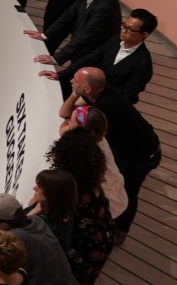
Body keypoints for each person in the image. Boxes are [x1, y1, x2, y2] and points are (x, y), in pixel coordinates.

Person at [60, 67, 160, 241]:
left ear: (88, 89)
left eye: (75, 81)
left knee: (128, 190)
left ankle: (121, 230)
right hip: (126, 148)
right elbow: (65, 113)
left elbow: (66, 128)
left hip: (142, 155)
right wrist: (76, 93)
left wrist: (72, 117)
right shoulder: (98, 93)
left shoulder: (104, 107)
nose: (71, 81)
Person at [44, 127, 115, 285]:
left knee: (69, 283)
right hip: (102, 235)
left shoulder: (69, 188)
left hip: (82, 246)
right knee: (82, 283)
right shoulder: (89, 178)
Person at [28, 0, 119, 70]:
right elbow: (68, 15)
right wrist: (44, 35)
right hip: (81, 49)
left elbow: (84, 37)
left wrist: (55, 59)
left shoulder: (105, 8)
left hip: (93, 56)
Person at [57, 9, 156, 104]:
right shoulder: (115, 39)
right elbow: (90, 58)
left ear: (144, 34)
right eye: (124, 26)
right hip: (90, 89)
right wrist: (61, 74)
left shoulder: (143, 64)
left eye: (129, 29)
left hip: (108, 103)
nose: (123, 31)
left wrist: (91, 100)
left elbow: (127, 97)